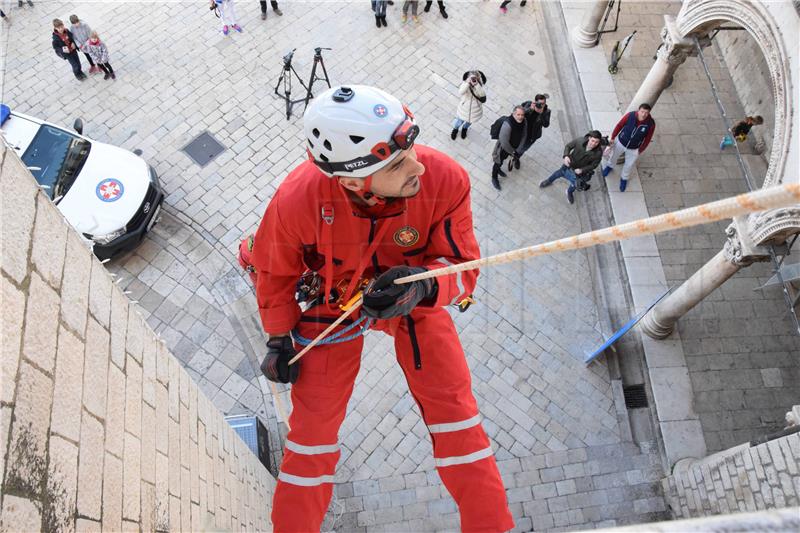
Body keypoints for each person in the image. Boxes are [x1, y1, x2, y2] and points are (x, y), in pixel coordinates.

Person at [251, 84, 515, 533]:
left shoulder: (444, 178)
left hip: (409, 294)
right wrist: (279, 336)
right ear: (352, 181)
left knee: (456, 410)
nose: (418, 165)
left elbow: (464, 267)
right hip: (334, 301)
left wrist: (426, 288)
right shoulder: (298, 199)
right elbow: (274, 270)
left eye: (409, 148)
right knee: (310, 436)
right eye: (397, 163)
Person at [601, 103, 656, 192]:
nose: (644, 114)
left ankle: (624, 178)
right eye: (642, 111)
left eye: (646, 113)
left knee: (629, 165)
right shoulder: (630, 116)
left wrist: (640, 150)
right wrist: (613, 137)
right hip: (621, 141)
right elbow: (619, 125)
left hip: (634, 148)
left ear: (649, 113)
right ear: (638, 111)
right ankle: (609, 167)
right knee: (613, 156)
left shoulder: (650, 124)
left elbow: (648, 138)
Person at [540, 130, 604, 204]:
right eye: (593, 141)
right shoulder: (580, 141)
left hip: (579, 172)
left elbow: (594, 165)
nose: (594, 144)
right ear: (589, 138)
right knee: (558, 173)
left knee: (574, 184)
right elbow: (568, 146)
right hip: (569, 164)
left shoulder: (598, 153)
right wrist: (566, 156)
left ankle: (569, 192)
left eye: (596, 142)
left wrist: (582, 170)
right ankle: (549, 181)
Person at [491, 105, 527, 191]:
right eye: (518, 114)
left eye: (522, 115)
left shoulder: (524, 121)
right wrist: (513, 152)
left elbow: (524, 135)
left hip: (514, 149)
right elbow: (504, 142)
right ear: (514, 114)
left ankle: (498, 170)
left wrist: (518, 149)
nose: (521, 117)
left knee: (502, 161)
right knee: (498, 162)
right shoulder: (507, 124)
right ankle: (494, 177)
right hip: (503, 149)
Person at [451, 70, 486, 140]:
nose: (473, 79)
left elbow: (482, 95)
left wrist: (476, 85)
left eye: (476, 78)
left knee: (469, 122)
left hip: (475, 110)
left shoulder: (479, 86)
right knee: (458, 121)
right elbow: (461, 92)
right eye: (472, 78)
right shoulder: (465, 84)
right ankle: (455, 130)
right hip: (464, 108)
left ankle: (464, 129)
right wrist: (467, 83)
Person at [517, 93, 551, 166]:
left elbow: (546, 125)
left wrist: (541, 114)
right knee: (515, 143)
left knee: (523, 149)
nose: (541, 105)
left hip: (532, 136)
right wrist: (530, 109)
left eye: (543, 103)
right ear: (535, 102)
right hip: (521, 131)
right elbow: (518, 113)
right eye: (540, 103)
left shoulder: (547, 111)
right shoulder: (529, 104)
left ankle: (517, 158)